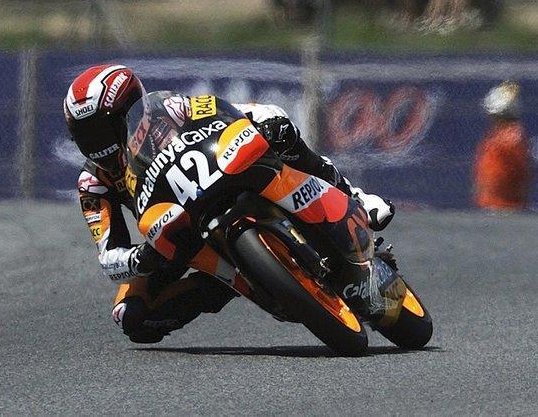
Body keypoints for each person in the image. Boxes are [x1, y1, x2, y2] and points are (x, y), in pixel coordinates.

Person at [63, 64, 394, 344]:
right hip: (174, 233)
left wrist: (261, 121)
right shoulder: (94, 182)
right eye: (86, 136)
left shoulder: (170, 110)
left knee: (280, 129)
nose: (98, 145)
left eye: (103, 130)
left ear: (130, 109)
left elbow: (225, 110)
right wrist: (142, 256)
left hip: (217, 176)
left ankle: (354, 197)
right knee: (131, 317)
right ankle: (226, 281)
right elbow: (109, 256)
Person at [474, 81, 530, 210]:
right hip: (490, 203)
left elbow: (517, 172)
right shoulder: (496, 134)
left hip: (505, 206)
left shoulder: (512, 135)